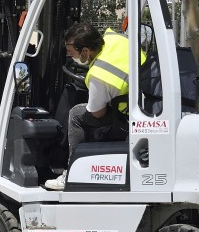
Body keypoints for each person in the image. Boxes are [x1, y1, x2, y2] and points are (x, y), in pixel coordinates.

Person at [45, 23, 133, 191]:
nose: (70, 56)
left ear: (85, 51)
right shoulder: (115, 38)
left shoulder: (98, 76)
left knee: (77, 114)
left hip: (126, 116)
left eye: (71, 53)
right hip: (143, 101)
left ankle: (73, 172)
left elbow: (98, 114)